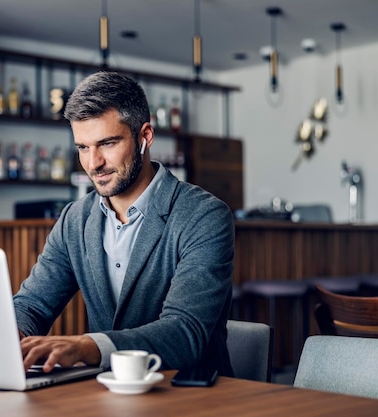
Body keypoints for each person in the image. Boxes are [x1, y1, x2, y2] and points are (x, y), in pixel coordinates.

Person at [14, 71, 234, 377]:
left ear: (145, 136)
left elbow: (185, 333)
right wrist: (11, 334)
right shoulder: (74, 220)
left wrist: (87, 347)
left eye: (107, 143)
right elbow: (32, 305)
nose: (94, 163)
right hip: (106, 394)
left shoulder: (204, 216)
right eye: (82, 148)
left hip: (188, 396)